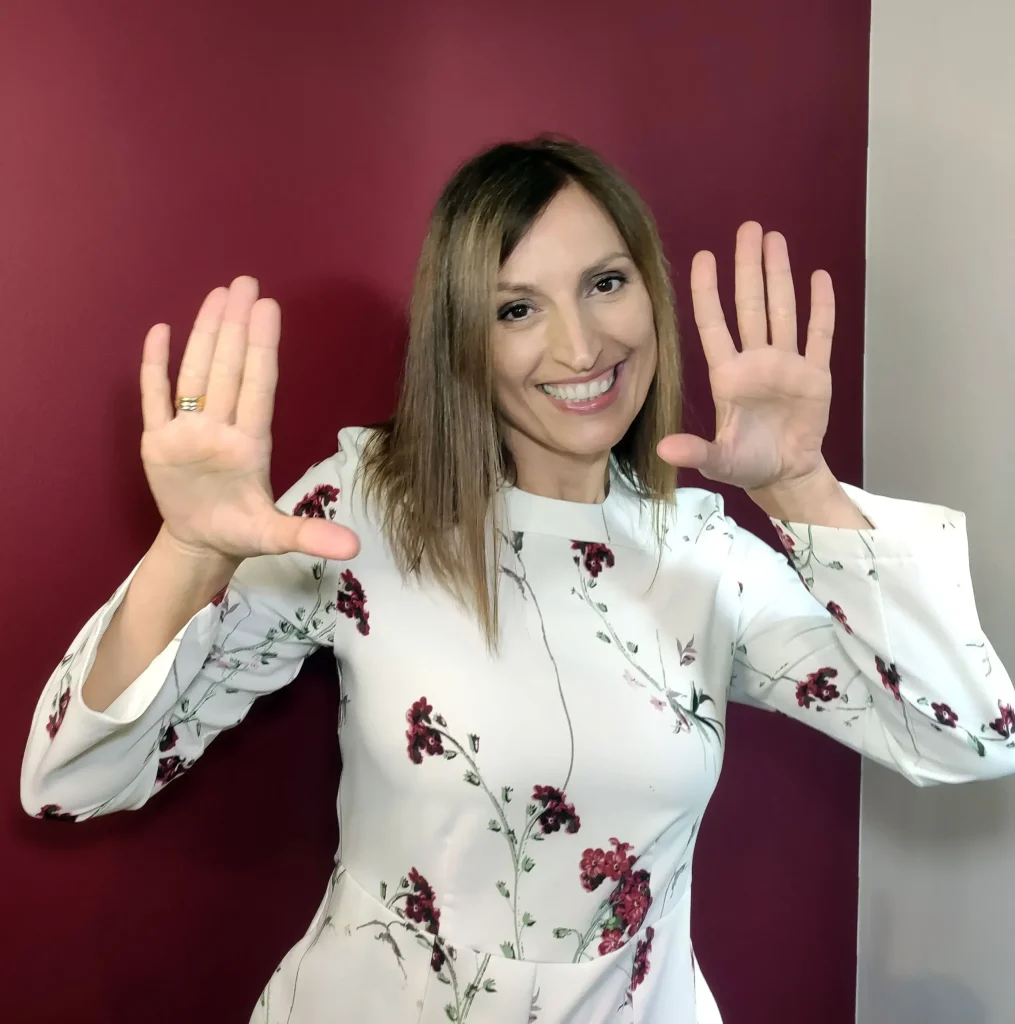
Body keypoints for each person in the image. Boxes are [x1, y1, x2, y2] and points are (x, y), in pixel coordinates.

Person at [21, 137, 1013, 1024]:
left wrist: (802, 487)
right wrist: (190, 552)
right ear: (463, 336)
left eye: (605, 283)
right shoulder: (365, 510)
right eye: (516, 307)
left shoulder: (704, 557)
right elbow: (72, 781)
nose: (581, 347)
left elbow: (970, 739)